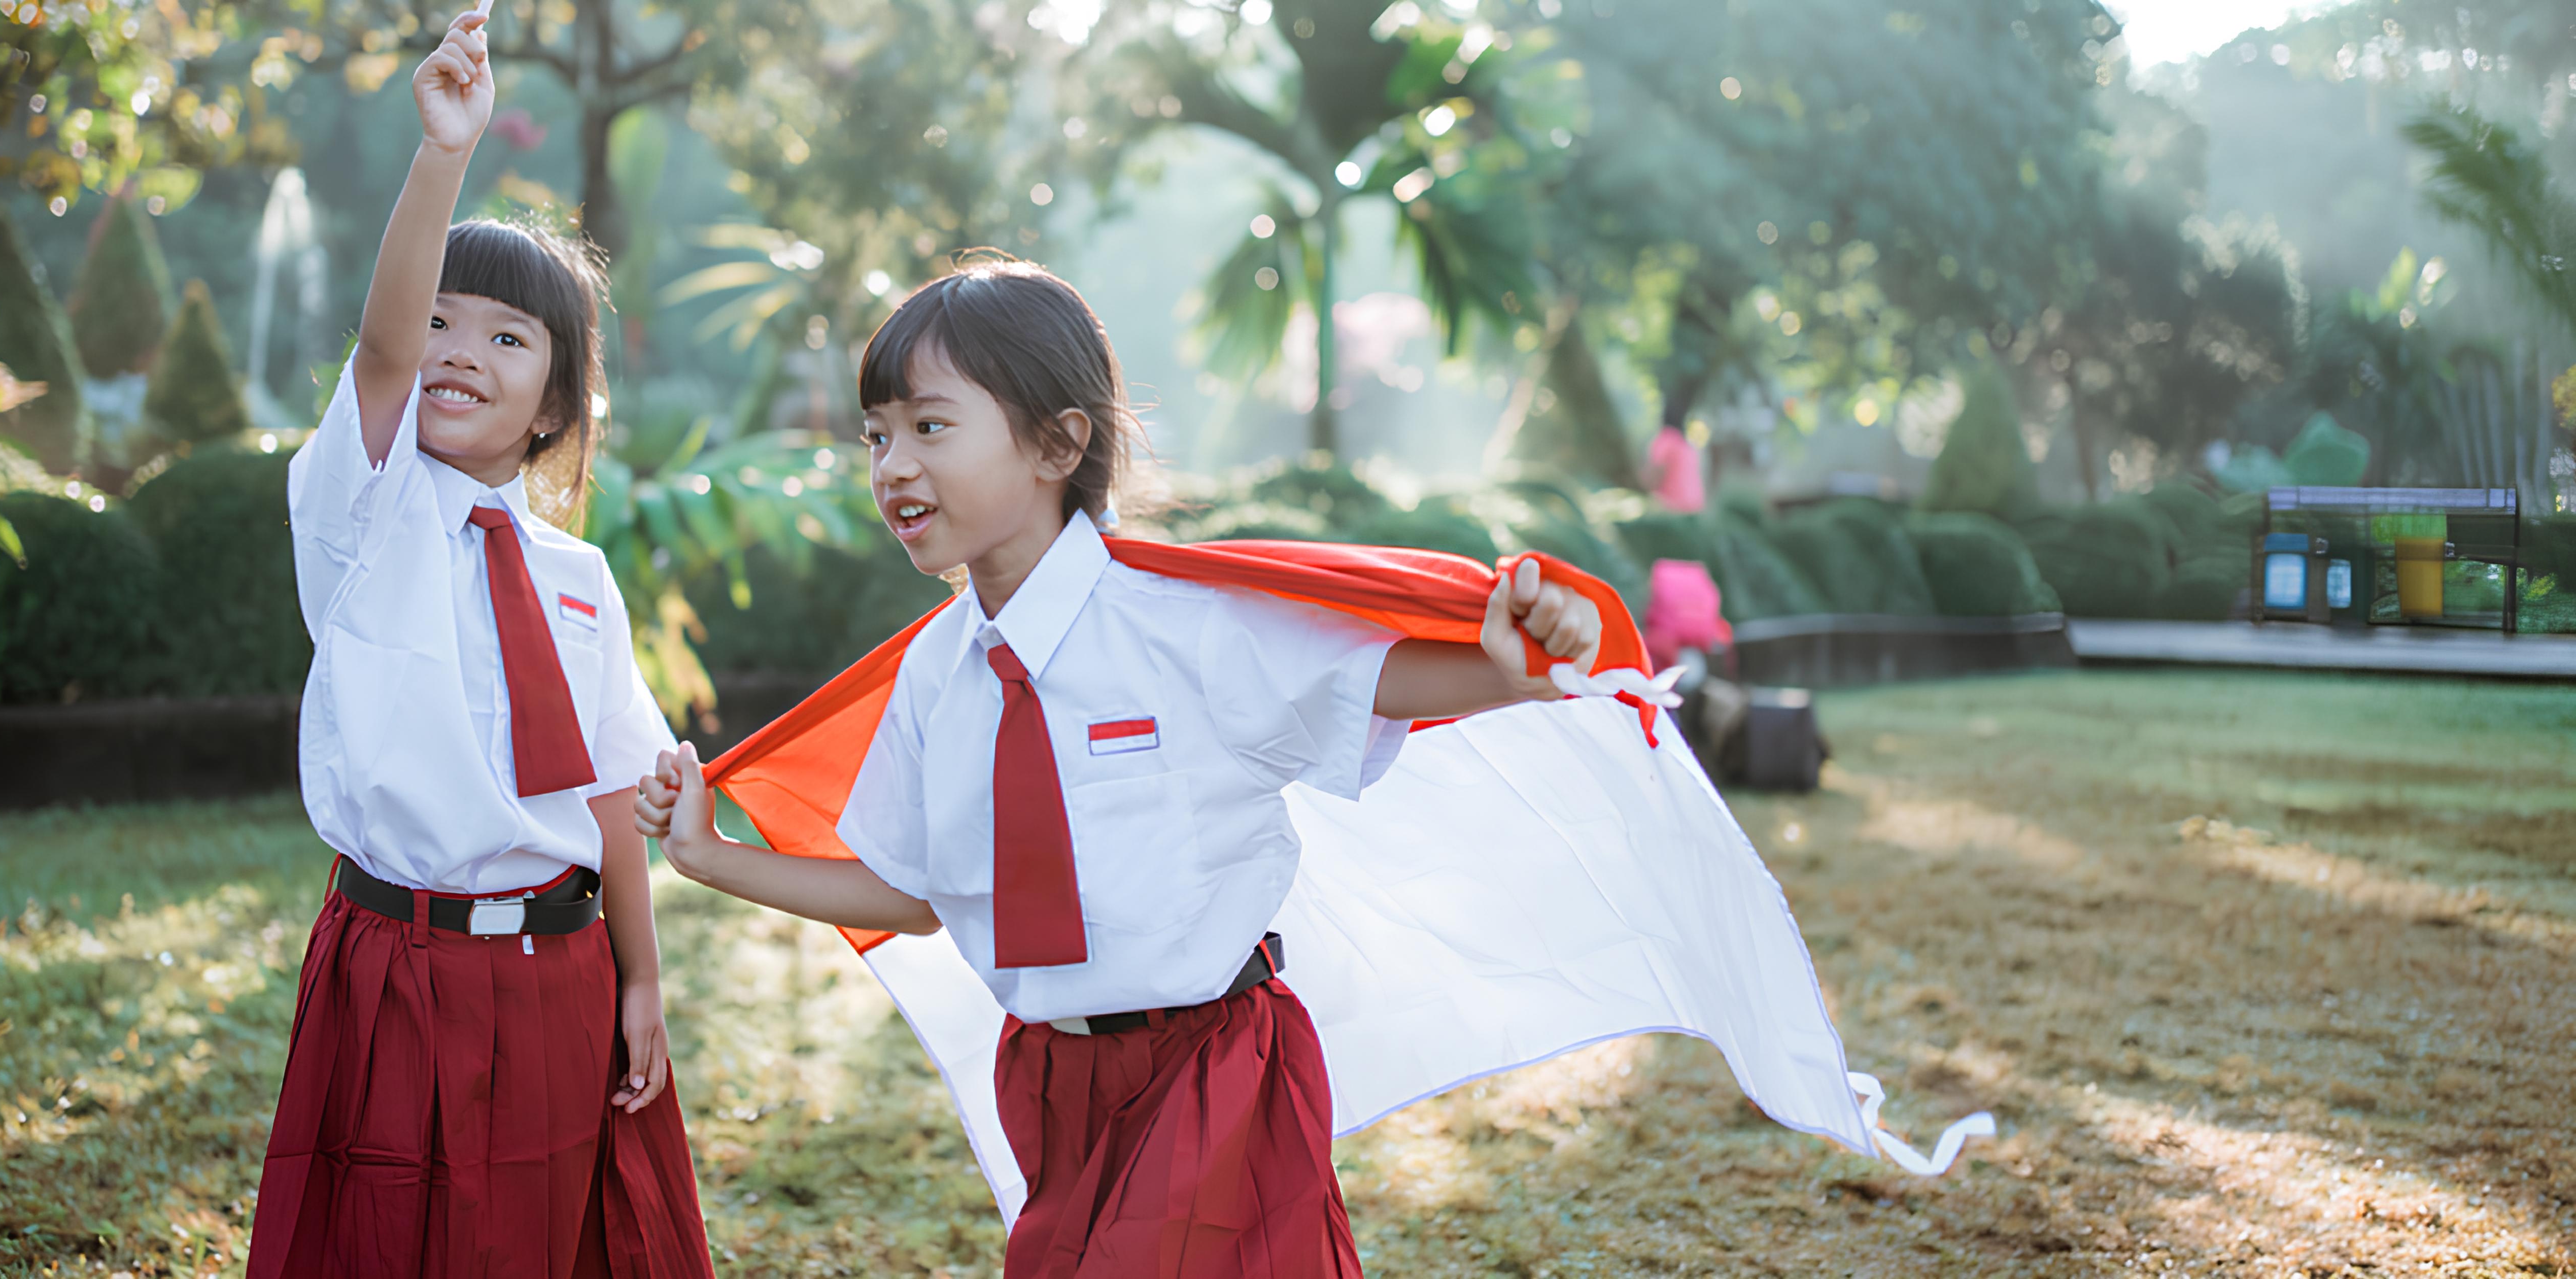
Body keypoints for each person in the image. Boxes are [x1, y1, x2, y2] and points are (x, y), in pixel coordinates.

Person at [640, 261, 1984, 1276]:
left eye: (930, 427)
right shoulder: (936, 678)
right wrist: (711, 857)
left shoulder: (1187, 627)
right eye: (877, 434)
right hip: (1052, 1079)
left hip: (1214, 1064)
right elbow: (911, 890)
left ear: (1057, 445)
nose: (892, 465)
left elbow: (1390, 679)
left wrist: (1523, 655)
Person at [248, 8, 715, 1275]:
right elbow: (384, 346)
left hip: (560, 971)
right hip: (394, 967)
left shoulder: (580, 578)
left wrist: (641, 981)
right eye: (447, 322)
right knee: (387, 1239)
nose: (460, 353)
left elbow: (608, 793)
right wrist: (442, 156)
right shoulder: (364, 512)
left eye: (508, 338)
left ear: (558, 399)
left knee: (546, 1242)